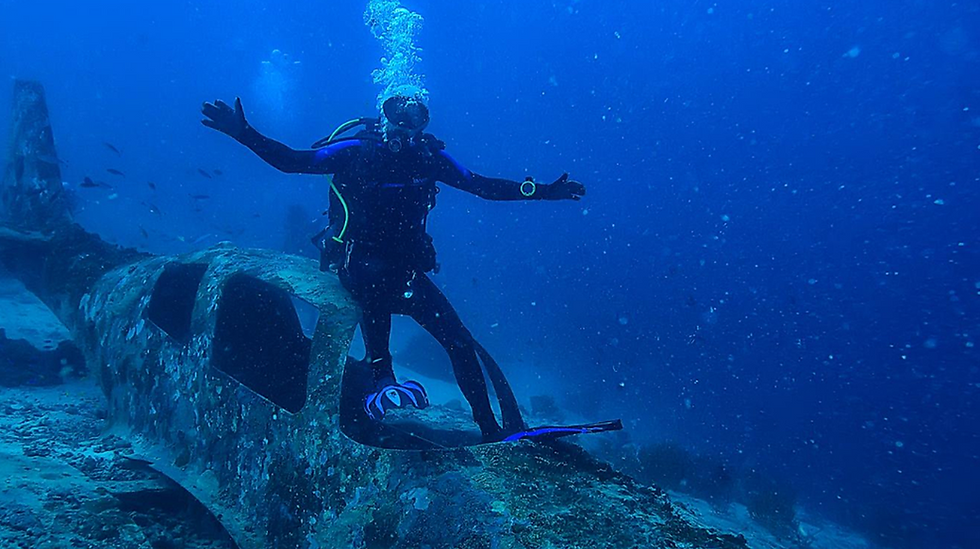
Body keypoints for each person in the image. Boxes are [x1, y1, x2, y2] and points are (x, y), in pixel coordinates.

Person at [201, 94, 585, 440]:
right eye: (395, 115)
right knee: (374, 289)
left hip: (407, 270)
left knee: (459, 340)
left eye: (413, 118)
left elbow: (480, 185)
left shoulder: (430, 158)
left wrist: (540, 191)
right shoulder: (355, 151)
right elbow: (293, 161)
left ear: (423, 125)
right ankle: (382, 379)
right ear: (382, 117)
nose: (403, 125)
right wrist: (244, 132)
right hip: (359, 263)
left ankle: (489, 429)